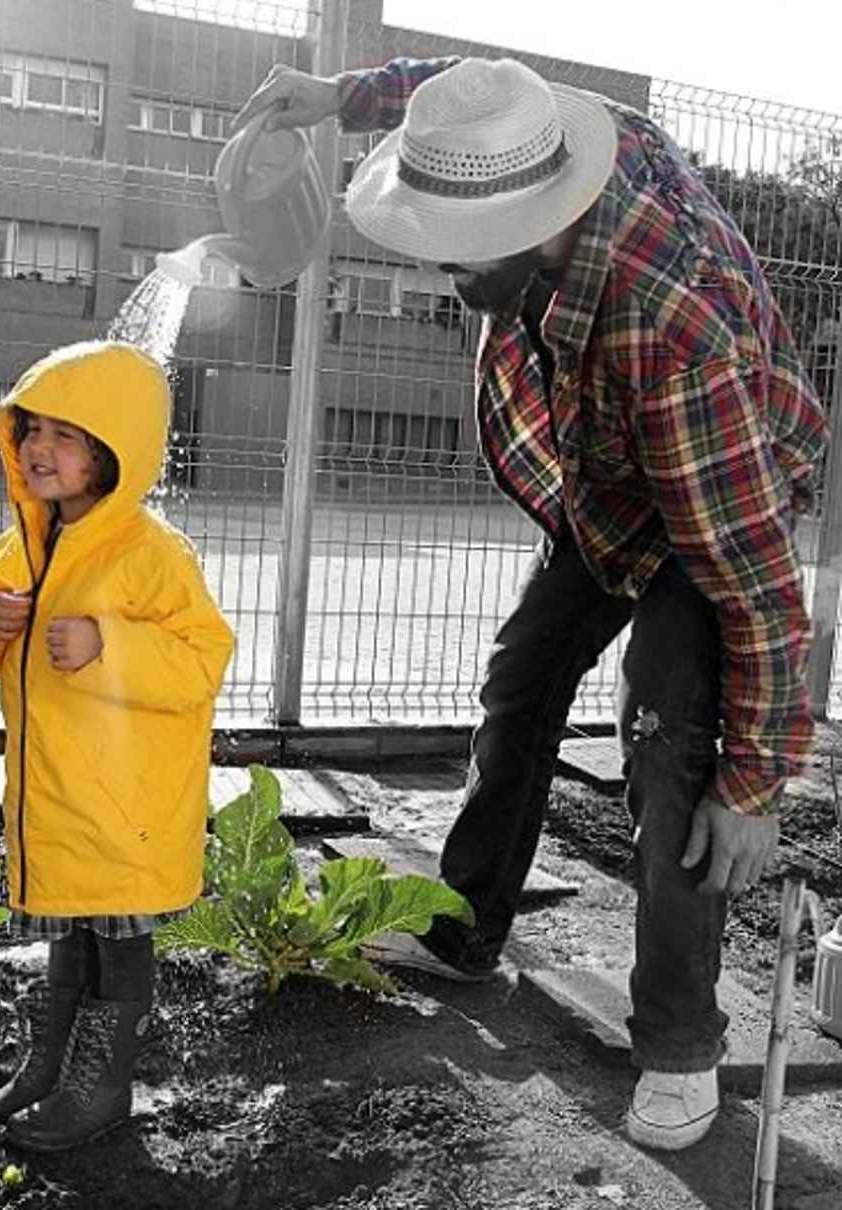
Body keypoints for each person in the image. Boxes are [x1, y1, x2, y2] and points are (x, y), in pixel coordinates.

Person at [234, 57, 826, 1151]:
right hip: (612, 473)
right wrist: (337, 96)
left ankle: (681, 1048)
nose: (437, 263)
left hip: (720, 476)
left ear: (529, 216)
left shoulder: (669, 327)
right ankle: (466, 929)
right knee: (522, 680)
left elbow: (753, 580)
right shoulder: (563, 139)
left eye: (454, 247)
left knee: (670, 740)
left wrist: (757, 781)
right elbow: (450, 91)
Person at [0, 340, 234, 1151]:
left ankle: (101, 1088)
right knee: (69, 932)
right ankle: (50, 1072)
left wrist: (110, 643)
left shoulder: (153, 553)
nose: (39, 447)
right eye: (31, 428)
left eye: (64, 434)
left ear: (115, 452)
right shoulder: (28, 543)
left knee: (118, 942)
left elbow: (203, 659)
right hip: (62, 793)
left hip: (123, 800)